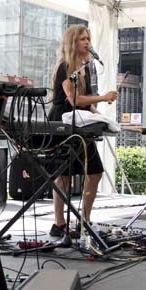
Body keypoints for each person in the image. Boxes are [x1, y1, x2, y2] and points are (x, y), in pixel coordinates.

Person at [47, 25, 118, 237]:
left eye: (88, 38)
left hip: (81, 123)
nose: (87, 42)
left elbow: (85, 103)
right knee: (64, 175)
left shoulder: (85, 68)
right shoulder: (66, 67)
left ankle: (84, 219)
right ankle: (59, 223)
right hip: (63, 121)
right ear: (72, 42)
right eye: (82, 39)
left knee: (95, 171)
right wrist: (103, 97)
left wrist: (101, 117)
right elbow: (73, 99)